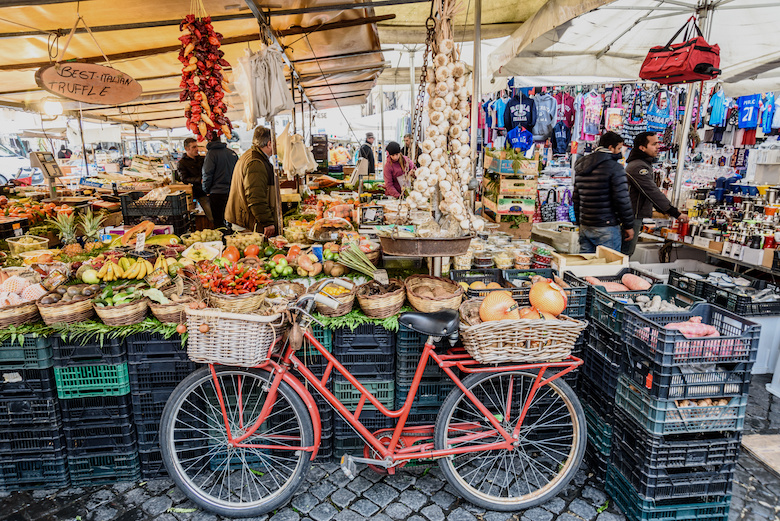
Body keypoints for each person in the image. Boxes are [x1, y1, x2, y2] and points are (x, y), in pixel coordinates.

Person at [623, 131, 689, 256]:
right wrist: (674, 212)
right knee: (625, 254)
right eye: (654, 144)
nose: (658, 147)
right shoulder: (638, 167)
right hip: (631, 217)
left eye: (658, 143)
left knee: (625, 254)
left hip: (633, 215)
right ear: (642, 148)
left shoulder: (641, 164)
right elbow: (652, 192)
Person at [572, 131, 635, 253]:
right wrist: (628, 225)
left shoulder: (581, 165)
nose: (620, 153)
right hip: (607, 226)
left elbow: (576, 198)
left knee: (585, 265)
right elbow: (622, 199)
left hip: (586, 225)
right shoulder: (615, 168)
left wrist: (579, 222)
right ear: (610, 148)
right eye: (619, 148)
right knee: (607, 267)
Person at [226, 126, 278, 237]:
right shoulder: (256, 162)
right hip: (246, 222)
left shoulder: (252, 155)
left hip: (243, 218)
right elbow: (255, 197)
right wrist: (267, 222)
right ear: (269, 144)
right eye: (275, 143)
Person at [203, 134, 238, 229]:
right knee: (232, 220)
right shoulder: (232, 153)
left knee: (219, 223)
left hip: (217, 193)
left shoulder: (211, 154)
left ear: (208, 140)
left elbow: (207, 173)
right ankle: (232, 240)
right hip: (232, 192)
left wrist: (206, 189)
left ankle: (222, 242)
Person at [178, 138, 213, 223]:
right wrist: (199, 180)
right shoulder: (182, 163)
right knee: (211, 215)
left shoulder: (202, 159)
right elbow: (184, 179)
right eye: (193, 147)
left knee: (213, 215)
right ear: (186, 149)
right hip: (197, 192)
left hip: (207, 191)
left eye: (196, 146)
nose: (196, 149)